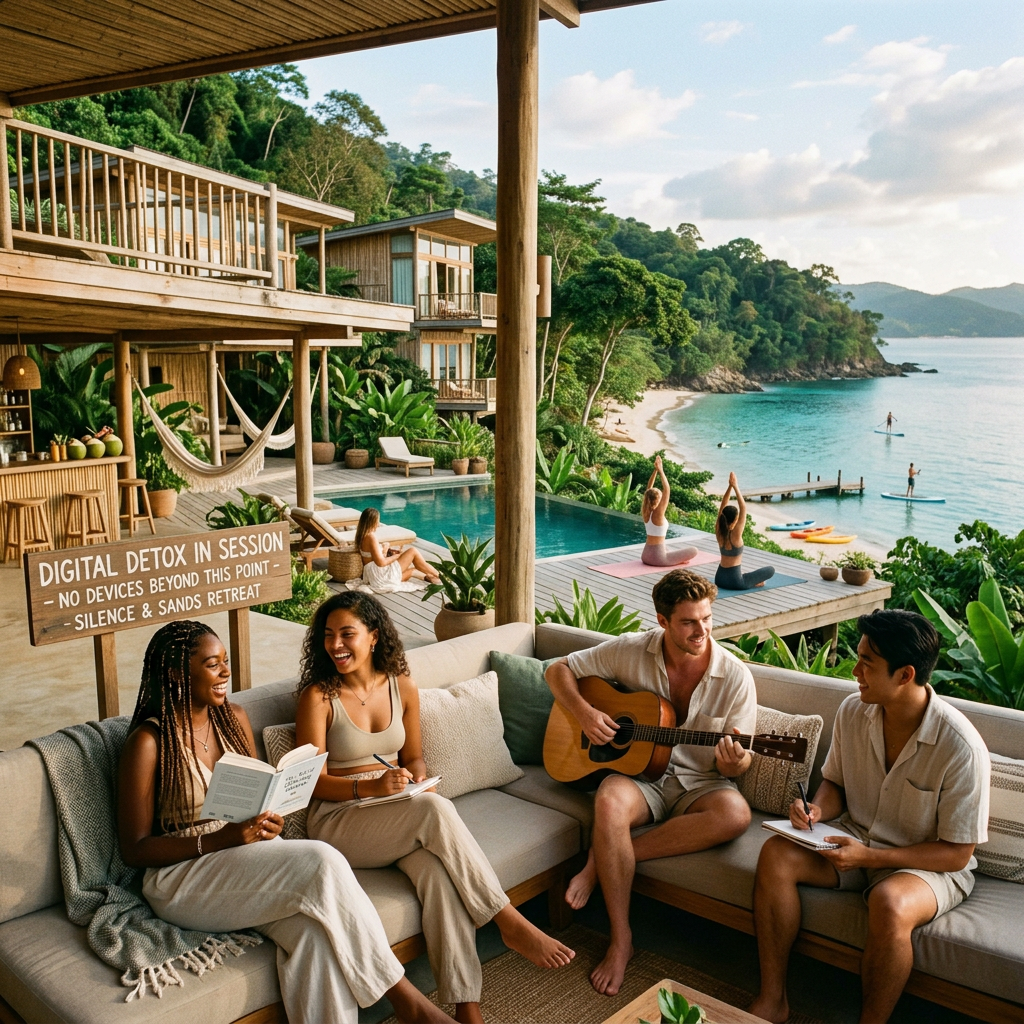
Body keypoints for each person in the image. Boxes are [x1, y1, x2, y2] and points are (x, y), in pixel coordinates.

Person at [117, 620, 451, 1024]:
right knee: (322, 861)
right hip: (182, 877)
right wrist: (221, 839)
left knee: (316, 936)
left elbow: (252, 798)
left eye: (226, 662)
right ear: (175, 674)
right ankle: (405, 999)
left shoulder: (232, 719)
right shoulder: (150, 742)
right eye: (212, 664)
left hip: (245, 856)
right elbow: (134, 850)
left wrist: (266, 820)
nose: (226, 673)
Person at [295, 592, 575, 1024]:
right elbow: (309, 784)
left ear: (373, 636)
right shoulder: (318, 696)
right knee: (435, 812)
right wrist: (371, 787)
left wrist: (418, 782)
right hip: (338, 820)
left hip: (394, 811)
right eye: (328, 636)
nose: (336, 645)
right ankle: (507, 920)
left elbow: (415, 758)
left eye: (346, 634)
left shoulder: (401, 685)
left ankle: (468, 1010)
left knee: (436, 872)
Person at [749, 610, 990, 1024]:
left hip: (926, 866)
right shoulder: (853, 710)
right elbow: (836, 785)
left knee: (890, 902)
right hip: (856, 840)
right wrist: (818, 809)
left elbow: (955, 854)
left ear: (905, 674)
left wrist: (871, 858)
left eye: (867, 663)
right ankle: (773, 999)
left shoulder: (960, 747)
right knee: (775, 853)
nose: (856, 671)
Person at [545, 570, 756, 997]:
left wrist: (735, 762)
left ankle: (599, 860)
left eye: (707, 619)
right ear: (662, 621)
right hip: (643, 778)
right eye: (689, 622)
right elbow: (558, 669)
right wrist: (585, 713)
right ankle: (621, 940)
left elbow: (740, 763)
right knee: (608, 800)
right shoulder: (631, 651)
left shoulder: (735, 677)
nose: (702, 631)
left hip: (700, 783)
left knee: (736, 814)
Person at [714, 471, 775, 590]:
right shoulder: (735, 534)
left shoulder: (719, 531)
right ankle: (752, 582)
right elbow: (743, 507)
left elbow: (722, 507)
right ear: (736, 519)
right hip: (735, 582)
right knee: (770, 570)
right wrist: (735, 486)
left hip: (719, 578)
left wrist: (729, 487)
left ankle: (751, 581)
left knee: (749, 576)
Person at [356, 506, 440, 587]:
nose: (378, 523)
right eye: (377, 521)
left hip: (373, 576)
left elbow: (373, 557)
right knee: (412, 551)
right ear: (372, 522)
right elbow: (381, 563)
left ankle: (434, 578)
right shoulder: (371, 537)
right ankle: (440, 576)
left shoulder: (361, 535)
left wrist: (385, 549)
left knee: (412, 570)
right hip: (379, 574)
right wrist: (396, 556)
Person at [640, 455, 699, 567]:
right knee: (694, 550)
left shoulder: (646, 512)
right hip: (658, 558)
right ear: (658, 500)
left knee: (668, 548)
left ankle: (674, 558)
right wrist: (661, 470)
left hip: (645, 556)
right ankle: (675, 560)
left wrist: (655, 470)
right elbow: (667, 489)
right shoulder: (658, 514)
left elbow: (649, 489)